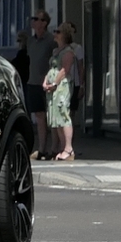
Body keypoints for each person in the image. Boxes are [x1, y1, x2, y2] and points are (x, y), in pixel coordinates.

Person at [22, 10, 56, 158]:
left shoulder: (51, 40)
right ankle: (42, 149)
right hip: (33, 82)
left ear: (44, 23)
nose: (33, 21)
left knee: (52, 116)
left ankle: (55, 148)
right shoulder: (30, 41)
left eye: (36, 19)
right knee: (39, 116)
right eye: (33, 18)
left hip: (48, 83)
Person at [46, 22, 81, 162]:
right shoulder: (56, 51)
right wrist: (46, 81)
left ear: (65, 35)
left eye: (58, 31)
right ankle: (62, 148)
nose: (55, 34)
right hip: (53, 88)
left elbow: (64, 70)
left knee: (64, 115)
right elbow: (52, 69)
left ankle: (68, 148)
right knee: (56, 117)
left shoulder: (68, 52)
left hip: (62, 87)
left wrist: (55, 83)